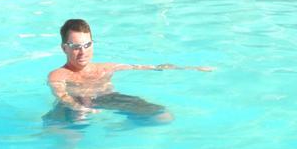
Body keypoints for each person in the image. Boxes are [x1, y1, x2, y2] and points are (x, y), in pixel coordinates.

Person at [45, 19, 211, 124]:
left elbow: (151, 67)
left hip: (107, 98)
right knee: (72, 134)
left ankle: (123, 127)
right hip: (71, 107)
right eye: (76, 47)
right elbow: (62, 95)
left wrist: (191, 68)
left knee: (163, 117)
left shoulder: (106, 67)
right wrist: (78, 107)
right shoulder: (58, 75)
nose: (83, 52)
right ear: (64, 48)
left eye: (87, 45)